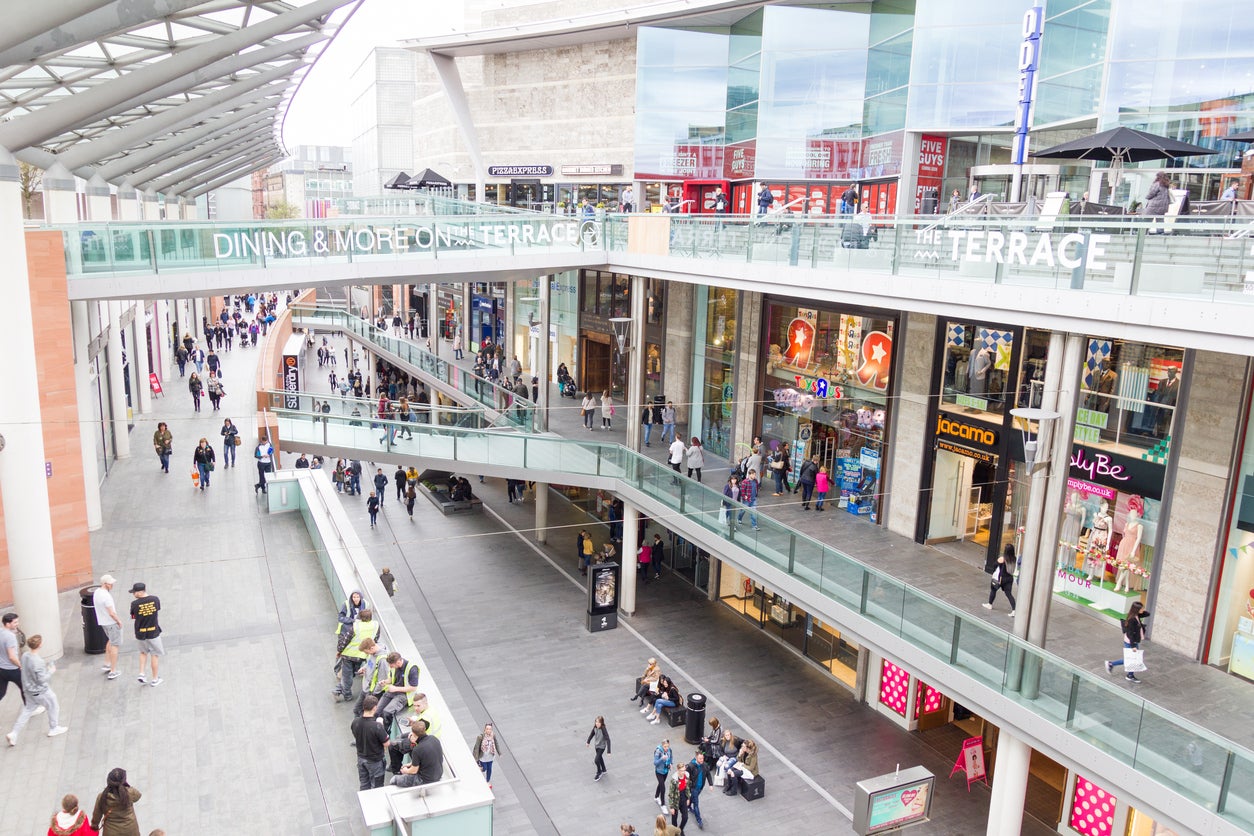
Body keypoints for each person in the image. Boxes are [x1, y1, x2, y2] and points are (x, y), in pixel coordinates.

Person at [6, 634, 67, 745]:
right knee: (53, 705)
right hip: (41, 692)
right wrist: (51, 671)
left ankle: (14, 733)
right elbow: (41, 680)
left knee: (26, 711)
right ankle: (54, 728)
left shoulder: (25, 656)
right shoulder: (38, 661)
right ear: (39, 645)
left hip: (28, 691)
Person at [1106, 601, 1151, 683]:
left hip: (1133, 640)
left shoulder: (1136, 615)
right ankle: (1126, 673)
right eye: (1142, 608)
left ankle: (1115, 666)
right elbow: (1130, 634)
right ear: (1136, 610)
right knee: (1131, 659)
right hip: (1131, 641)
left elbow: (1148, 614)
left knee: (1131, 658)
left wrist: (1142, 611)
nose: (1143, 609)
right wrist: (1133, 645)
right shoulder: (1132, 619)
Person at [351, 695, 390, 790]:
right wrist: (381, 726)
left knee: (364, 784)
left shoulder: (355, 722)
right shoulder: (377, 726)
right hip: (375, 761)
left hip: (361, 758)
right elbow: (386, 743)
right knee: (377, 787)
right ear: (374, 708)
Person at [128, 583, 164, 687]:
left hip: (140, 632)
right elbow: (157, 609)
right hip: (153, 631)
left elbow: (133, 616)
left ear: (140, 592)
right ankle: (155, 679)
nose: (133, 594)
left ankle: (142, 673)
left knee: (143, 652)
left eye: (134, 592)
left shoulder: (134, 604)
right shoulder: (155, 599)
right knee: (154, 654)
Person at [392, 718, 444, 788]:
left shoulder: (417, 749)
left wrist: (405, 771)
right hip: (438, 774)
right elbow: (424, 758)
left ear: (415, 735)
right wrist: (410, 764)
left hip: (425, 780)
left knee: (395, 779)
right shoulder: (434, 738)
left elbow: (413, 771)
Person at [375, 652, 421, 729]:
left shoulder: (412, 668)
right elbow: (392, 678)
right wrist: (385, 681)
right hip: (393, 691)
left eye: (392, 665)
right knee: (377, 711)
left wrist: (395, 689)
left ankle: (385, 732)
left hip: (404, 695)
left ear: (398, 662)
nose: (390, 667)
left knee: (387, 712)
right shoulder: (394, 667)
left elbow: (413, 687)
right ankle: (375, 730)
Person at [90, 767, 142, 835]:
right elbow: (138, 795)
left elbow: (97, 815)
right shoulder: (129, 793)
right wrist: (126, 786)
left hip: (110, 832)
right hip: (130, 830)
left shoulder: (102, 796)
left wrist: (94, 825)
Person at [94, 575, 124, 680]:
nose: (112, 585)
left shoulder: (97, 592)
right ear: (105, 584)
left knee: (110, 641)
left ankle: (107, 663)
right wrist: (118, 621)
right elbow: (111, 613)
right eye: (110, 583)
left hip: (103, 623)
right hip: (111, 623)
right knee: (115, 645)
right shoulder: (106, 596)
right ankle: (113, 670)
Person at [983, 544, 1017, 616]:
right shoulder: (1014, 558)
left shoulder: (1003, 558)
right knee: (1009, 594)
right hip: (1009, 578)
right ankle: (1014, 610)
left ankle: (990, 604)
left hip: (1001, 578)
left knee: (993, 590)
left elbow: (995, 564)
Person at [666, 760, 690, 834]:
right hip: (676, 801)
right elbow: (671, 793)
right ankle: (675, 832)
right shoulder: (674, 780)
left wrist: (688, 797)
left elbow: (687, 787)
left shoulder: (686, 776)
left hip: (683, 799)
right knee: (674, 821)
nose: (683, 772)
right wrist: (671, 807)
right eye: (681, 771)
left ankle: (680, 829)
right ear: (678, 770)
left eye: (684, 770)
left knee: (685, 817)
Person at [687, 752, 708, 829]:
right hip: (693, 788)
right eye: (700, 758)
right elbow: (687, 776)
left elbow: (708, 774)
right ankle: (699, 820)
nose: (702, 760)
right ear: (696, 758)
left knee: (692, 798)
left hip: (700, 787)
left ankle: (688, 806)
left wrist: (711, 784)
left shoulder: (704, 765)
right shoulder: (691, 766)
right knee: (696, 804)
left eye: (702, 758)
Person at [586, 715, 611, 780]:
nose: (597, 723)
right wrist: (588, 741)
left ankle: (599, 772)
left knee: (596, 760)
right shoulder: (595, 727)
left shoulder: (603, 729)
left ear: (601, 723)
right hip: (596, 746)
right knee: (599, 757)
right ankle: (604, 769)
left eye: (598, 722)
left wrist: (608, 751)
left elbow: (608, 739)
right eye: (596, 722)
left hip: (601, 747)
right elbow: (591, 734)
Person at [652, 739, 673, 810]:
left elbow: (671, 758)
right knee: (663, 788)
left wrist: (670, 764)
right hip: (659, 772)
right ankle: (663, 805)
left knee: (661, 784)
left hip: (665, 771)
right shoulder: (658, 751)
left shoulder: (669, 750)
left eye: (667, 746)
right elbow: (655, 763)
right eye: (665, 747)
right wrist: (661, 758)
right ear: (662, 745)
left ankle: (656, 796)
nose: (666, 748)